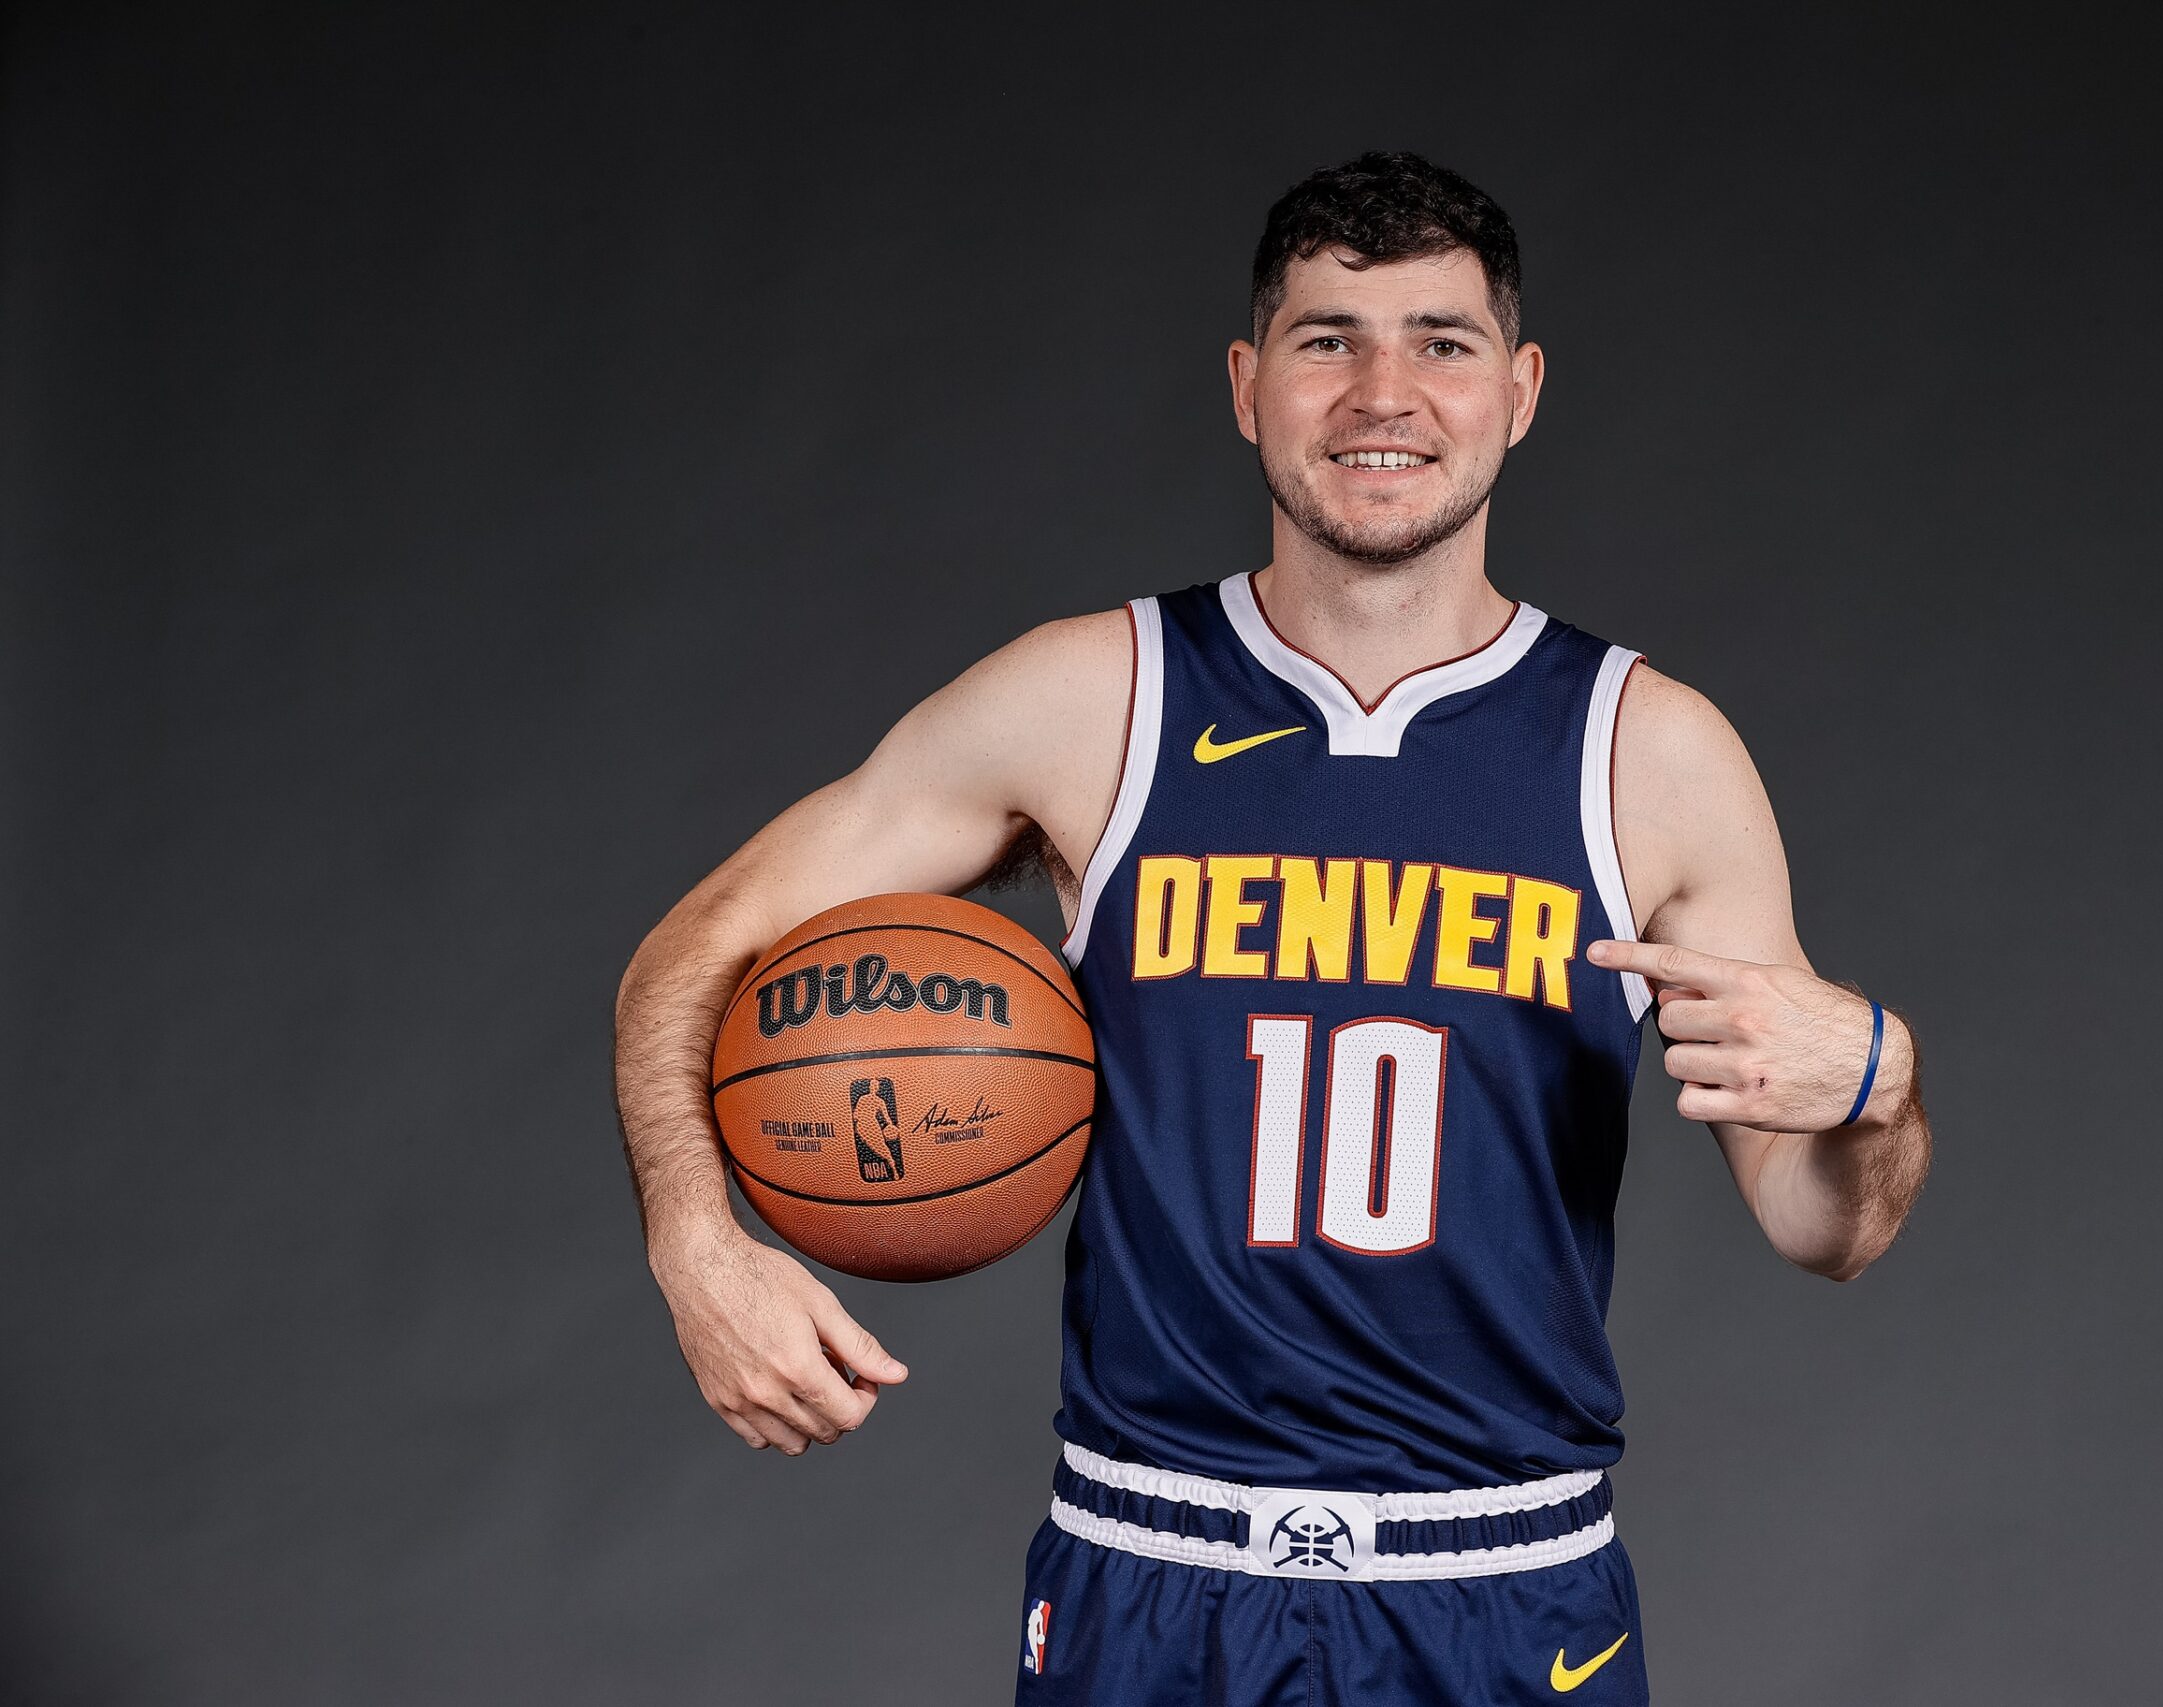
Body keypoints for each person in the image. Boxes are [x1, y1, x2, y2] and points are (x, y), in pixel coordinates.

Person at [614, 151, 1932, 1705]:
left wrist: (1878, 1087)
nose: (1384, 390)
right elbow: (704, 942)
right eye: (1329, 341)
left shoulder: (1648, 754)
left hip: (1507, 1597)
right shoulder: (1092, 701)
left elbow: (1823, 1229)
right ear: (1250, 386)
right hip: (1152, 1578)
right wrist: (693, 1241)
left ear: (1518, 389)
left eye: (1439, 342)